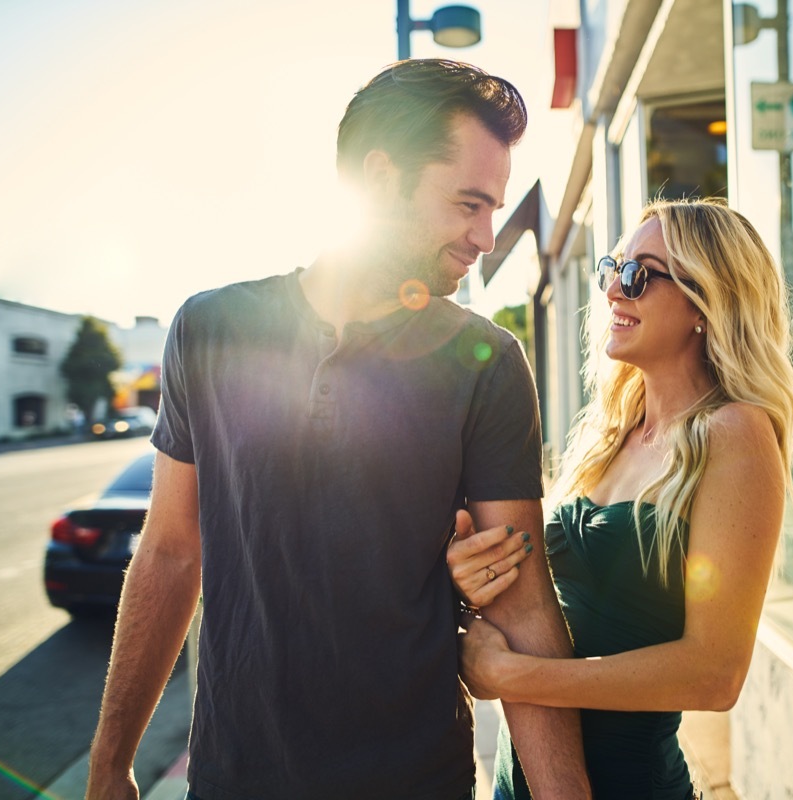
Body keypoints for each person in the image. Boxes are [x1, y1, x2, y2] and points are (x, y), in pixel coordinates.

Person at [86, 59, 591, 800]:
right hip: (233, 779)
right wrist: (109, 764)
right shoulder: (210, 328)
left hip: (417, 781)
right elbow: (167, 552)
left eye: (493, 209)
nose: (486, 236)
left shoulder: (485, 361)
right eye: (468, 204)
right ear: (381, 176)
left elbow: (522, 598)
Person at [447, 197, 793, 799]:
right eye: (613, 268)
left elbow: (716, 675)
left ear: (706, 303)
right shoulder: (608, 433)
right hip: (526, 776)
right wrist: (472, 574)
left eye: (638, 275)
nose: (614, 289)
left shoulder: (734, 433)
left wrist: (518, 676)